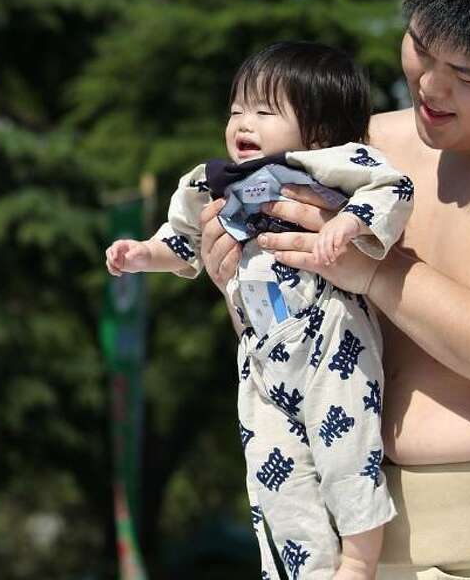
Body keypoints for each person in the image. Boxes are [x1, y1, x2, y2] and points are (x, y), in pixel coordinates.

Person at [201, 0, 470, 579]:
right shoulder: (364, 149)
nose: (430, 85)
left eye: (465, 72)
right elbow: (293, 336)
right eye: (420, 47)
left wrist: (380, 273)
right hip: (357, 537)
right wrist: (235, 277)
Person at [107, 41, 411, 579]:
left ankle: (360, 563)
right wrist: (142, 255)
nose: (243, 122)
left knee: (347, 457)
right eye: (236, 110)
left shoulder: (329, 162)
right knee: (275, 475)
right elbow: (181, 240)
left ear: (316, 129)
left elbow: (393, 185)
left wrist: (352, 221)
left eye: (265, 111)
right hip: (260, 355)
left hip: (331, 341)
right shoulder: (210, 181)